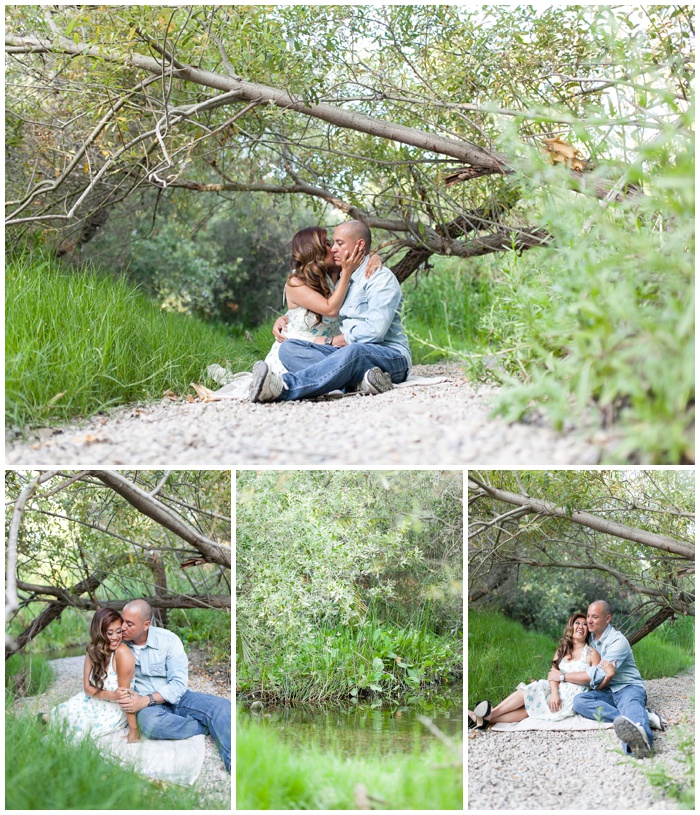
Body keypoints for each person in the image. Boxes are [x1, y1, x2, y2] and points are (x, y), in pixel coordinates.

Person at [249, 219, 411, 402]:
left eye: (339, 243)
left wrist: (330, 341)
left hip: (389, 356)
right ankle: (358, 382)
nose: (333, 249)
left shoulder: (380, 279)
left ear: (359, 245)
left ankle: (284, 387)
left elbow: (375, 332)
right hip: (349, 356)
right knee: (289, 348)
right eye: (331, 243)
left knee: (355, 351)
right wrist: (285, 318)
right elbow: (309, 304)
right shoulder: (341, 276)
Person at [116, 599, 231, 773]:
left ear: (146, 625)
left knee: (221, 706)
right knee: (149, 724)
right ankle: (205, 726)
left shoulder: (168, 640)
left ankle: (233, 764)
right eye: (122, 620)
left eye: (129, 624)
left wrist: (145, 700)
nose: (122, 627)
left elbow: (178, 684)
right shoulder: (119, 645)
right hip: (151, 709)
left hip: (179, 698)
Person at [263, 226, 381, 375]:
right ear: (313, 250)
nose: (333, 249)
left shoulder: (336, 272)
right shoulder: (296, 282)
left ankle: (343, 378)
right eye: (327, 244)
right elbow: (330, 309)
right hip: (301, 351)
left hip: (328, 348)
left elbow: (361, 258)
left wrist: (374, 258)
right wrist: (346, 273)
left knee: (344, 362)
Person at [468, 612, 609, 729]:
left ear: (588, 631)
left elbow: (593, 681)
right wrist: (554, 694)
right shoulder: (563, 649)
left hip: (573, 695)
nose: (581, 626)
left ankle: (486, 716)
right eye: (577, 623)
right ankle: (489, 716)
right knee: (532, 689)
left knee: (528, 711)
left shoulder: (592, 653)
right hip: (556, 689)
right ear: (570, 627)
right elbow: (552, 675)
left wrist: (563, 677)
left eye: (585, 624)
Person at [558, 600, 659, 758]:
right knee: (580, 701)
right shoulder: (590, 638)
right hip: (606, 690)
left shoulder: (618, 642)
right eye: (589, 616)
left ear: (607, 619)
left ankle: (639, 745)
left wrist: (563, 676)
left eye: (595, 617)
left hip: (627, 687)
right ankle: (637, 716)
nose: (589, 621)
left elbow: (597, 675)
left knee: (630, 704)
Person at [43, 608, 139, 743]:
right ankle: (43, 720)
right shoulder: (93, 651)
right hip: (92, 699)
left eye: (119, 631)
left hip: (114, 709)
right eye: (109, 633)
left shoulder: (122, 653)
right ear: (99, 633)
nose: (115, 637)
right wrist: (111, 695)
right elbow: (87, 688)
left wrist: (133, 730)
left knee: (74, 733)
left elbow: (125, 696)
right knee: (59, 714)